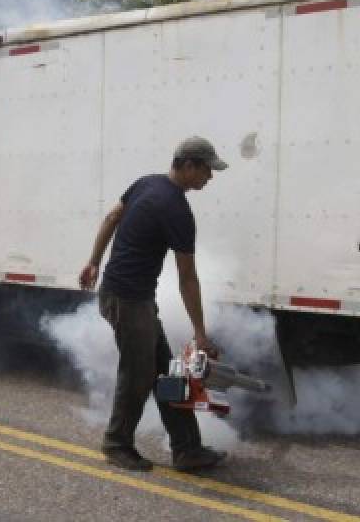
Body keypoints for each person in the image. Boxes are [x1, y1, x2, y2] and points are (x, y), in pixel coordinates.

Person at [79, 136, 228, 472]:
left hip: (125, 295)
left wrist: (93, 262)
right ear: (189, 166)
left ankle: (187, 449)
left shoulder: (146, 183)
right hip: (128, 300)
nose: (210, 177)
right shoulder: (176, 209)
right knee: (139, 374)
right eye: (207, 169)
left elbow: (111, 217)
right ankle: (117, 443)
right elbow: (187, 277)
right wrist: (200, 333)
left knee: (164, 372)